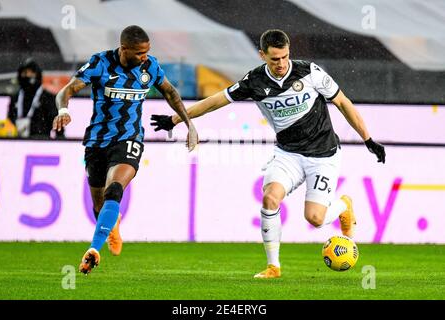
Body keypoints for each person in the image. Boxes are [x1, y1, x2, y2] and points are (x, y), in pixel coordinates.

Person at [151, 29, 385, 278]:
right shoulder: (254, 82)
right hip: (288, 154)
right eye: (275, 59)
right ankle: (274, 267)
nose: (282, 64)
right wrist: (177, 119)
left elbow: (343, 103)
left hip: (323, 155)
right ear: (262, 55)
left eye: (285, 57)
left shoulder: (310, 72)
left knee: (315, 219)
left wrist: (368, 139)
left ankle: (343, 205)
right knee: (270, 198)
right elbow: (215, 101)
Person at [53, 25, 198, 275]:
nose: (145, 57)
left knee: (115, 189)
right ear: (124, 49)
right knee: (99, 206)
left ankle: (94, 249)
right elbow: (67, 90)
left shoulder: (149, 66)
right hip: (97, 142)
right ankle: (112, 225)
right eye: (140, 53)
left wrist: (189, 124)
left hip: (129, 139)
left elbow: (171, 93)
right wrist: (63, 110)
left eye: (147, 52)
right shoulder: (101, 63)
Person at [8, 58, 65, 139]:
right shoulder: (15, 97)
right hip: (18, 142)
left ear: (37, 74)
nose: (28, 76)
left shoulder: (48, 97)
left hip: (41, 142)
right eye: (24, 73)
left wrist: (61, 139)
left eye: (31, 73)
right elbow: (10, 120)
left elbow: (57, 122)